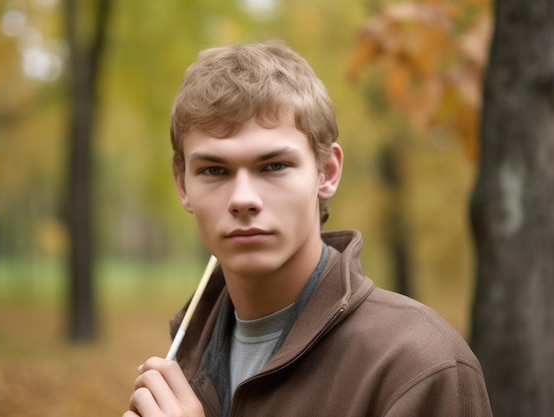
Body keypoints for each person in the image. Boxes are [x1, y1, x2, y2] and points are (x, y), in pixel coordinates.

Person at [122, 40, 492, 417]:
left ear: (327, 172)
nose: (243, 198)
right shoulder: (184, 364)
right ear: (183, 186)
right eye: (214, 171)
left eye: (274, 166)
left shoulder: (417, 365)